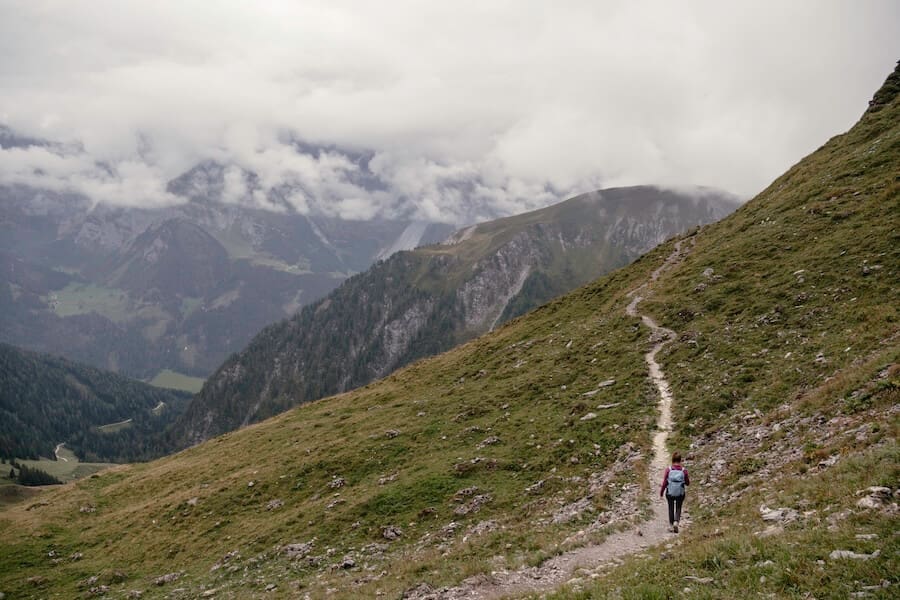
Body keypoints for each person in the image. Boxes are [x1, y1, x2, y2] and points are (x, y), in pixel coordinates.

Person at [660, 451, 689, 532]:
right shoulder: (684, 470)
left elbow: (665, 483)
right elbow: (687, 483)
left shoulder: (668, 469)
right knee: (679, 507)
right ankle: (676, 521)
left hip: (670, 492)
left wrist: (661, 492)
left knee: (671, 507)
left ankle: (671, 525)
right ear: (680, 460)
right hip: (680, 493)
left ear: (672, 459)